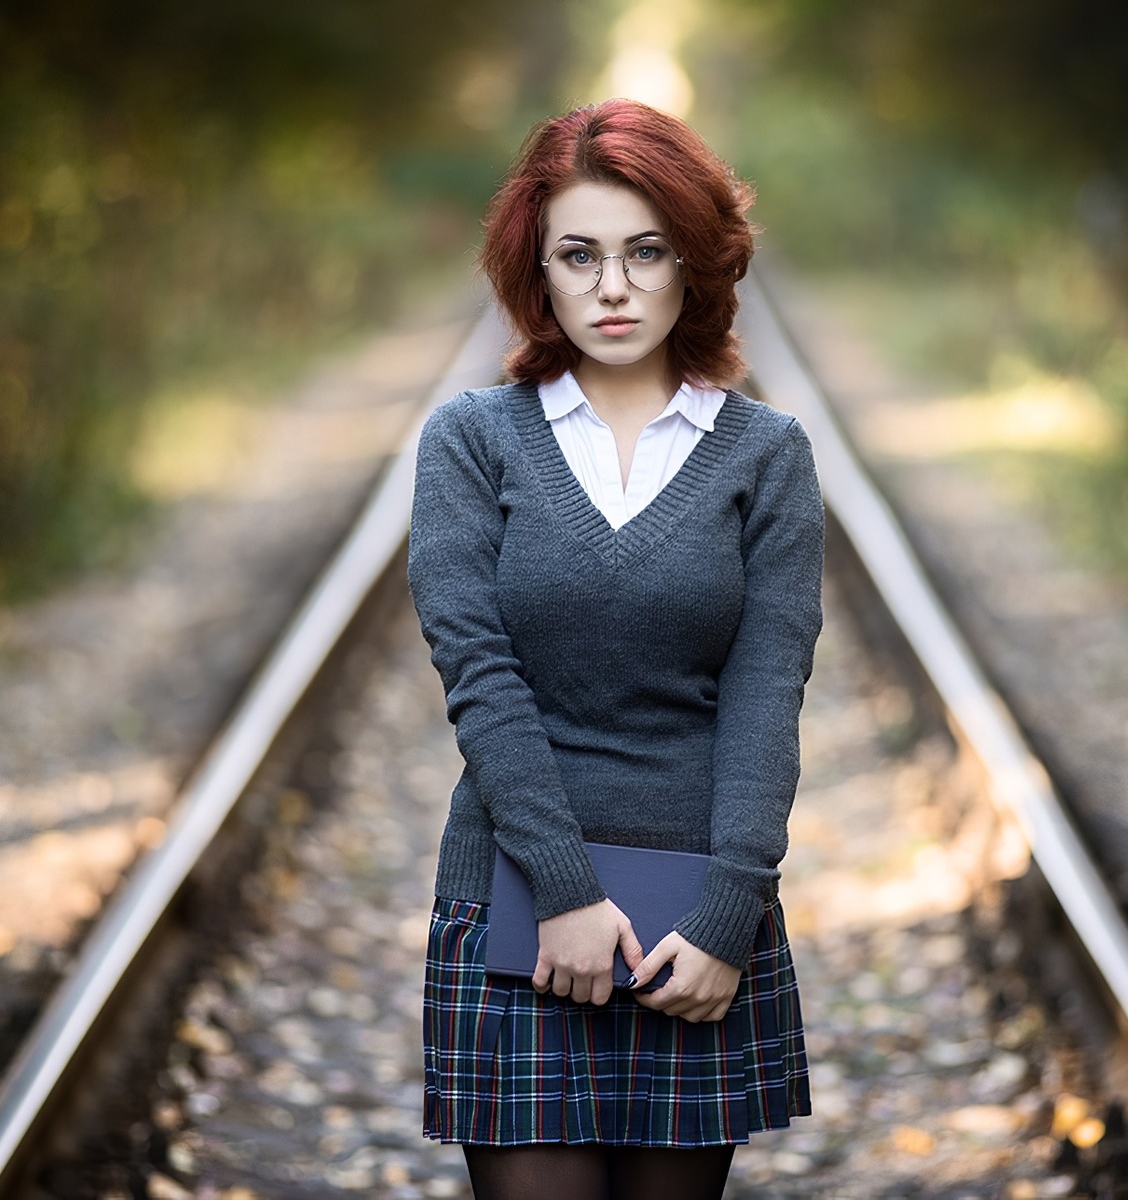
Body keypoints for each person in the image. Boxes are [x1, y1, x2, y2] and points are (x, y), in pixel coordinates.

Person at [407, 98, 824, 1200]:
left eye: (646, 252)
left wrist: (730, 916)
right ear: (535, 273)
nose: (613, 286)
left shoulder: (766, 457)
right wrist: (565, 892)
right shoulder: (471, 442)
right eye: (578, 255)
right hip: (513, 903)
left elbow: (764, 694)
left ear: (696, 265)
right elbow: (481, 680)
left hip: (695, 922)